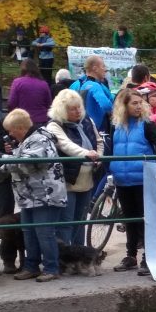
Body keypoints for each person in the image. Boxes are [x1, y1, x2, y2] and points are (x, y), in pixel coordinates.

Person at [109, 88, 156, 276]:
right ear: (124, 106)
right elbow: (110, 150)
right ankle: (130, 255)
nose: (139, 106)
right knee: (130, 220)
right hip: (123, 180)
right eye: (134, 103)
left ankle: (149, 257)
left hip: (143, 180)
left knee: (146, 220)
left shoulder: (147, 124)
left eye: (141, 103)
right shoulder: (115, 126)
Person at [0, 109, 66, 282]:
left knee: (45, 233)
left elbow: (27, 164)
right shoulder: (27, 140)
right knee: (28, 231)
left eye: (11, 130)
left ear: (20, 127)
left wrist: (3, 159)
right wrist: (7, 159)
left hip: (45, 195)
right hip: (29, 196)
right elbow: (19, 158)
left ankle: (52, 268)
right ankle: (32, 266)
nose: (10, 134)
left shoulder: (40, 139)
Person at [45, 89, 104, 245]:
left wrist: (99, 156)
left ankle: (78, 258)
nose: (78, 111)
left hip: (87, 179)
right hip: (67, 181)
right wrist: (88, 154)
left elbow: (99, 141)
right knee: (66, 222)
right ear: (62, 110)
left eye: (79, 107)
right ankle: (65, 260)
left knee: (81, 221)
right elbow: (66, 145)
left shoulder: (87, 120)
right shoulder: (54, 126)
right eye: (73, 108)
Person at [69, 55, 114, 133]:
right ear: (95, 68)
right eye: (103, 66)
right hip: (98, 129)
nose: (105, 70)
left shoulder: (74, 85)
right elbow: (107, 105)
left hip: (80, 128)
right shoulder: (96, 86)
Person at [7, 59, 52, 127]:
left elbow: (11, 103)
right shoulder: (44, 84)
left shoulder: (17, 82)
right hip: (41, 121)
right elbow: (49, 104)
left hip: (23, 121)